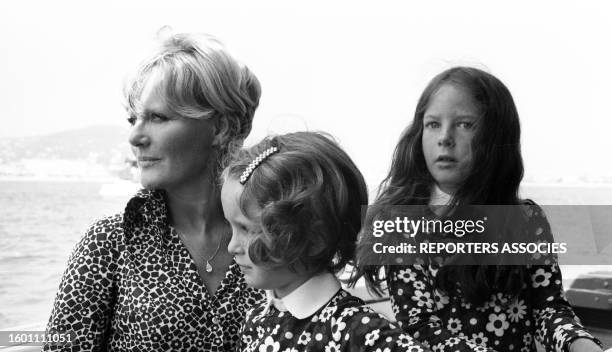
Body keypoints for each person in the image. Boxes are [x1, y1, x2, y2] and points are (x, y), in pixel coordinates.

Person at [354, 67, 603, 352]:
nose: (445, 137)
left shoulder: (527, 220)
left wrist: (580, 343)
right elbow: (421, 329)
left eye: (464, 124)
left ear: (496, 137)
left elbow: (548, 309)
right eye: (433, 124)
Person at [44, 30, 263, 351]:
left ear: (221, 128)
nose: (135, 137)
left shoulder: (275, 239)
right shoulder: (109, 243)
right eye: (134, 119)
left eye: (157, 118)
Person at [220, 131, 431, 351]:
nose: (232, 247)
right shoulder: (256, 319)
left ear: (315, 240)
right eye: (231, 227)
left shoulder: (356, 330)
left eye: (246, 229)